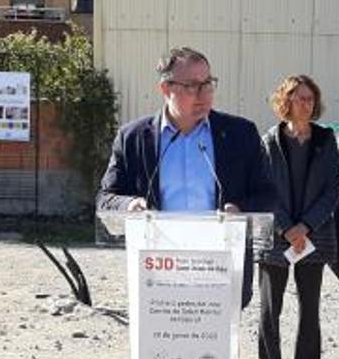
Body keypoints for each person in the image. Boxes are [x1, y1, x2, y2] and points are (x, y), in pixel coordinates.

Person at [97, 46, 275, 304]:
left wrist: (239, 210)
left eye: (208, 84)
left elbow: (268, 194)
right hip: (159, 270)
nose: (203, 95)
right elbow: (105, 198)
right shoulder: (133, 137)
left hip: (221, 268)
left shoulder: (240, 133)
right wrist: (130, 204)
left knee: (217, 344)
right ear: (165, 89)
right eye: (192, 86)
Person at [256, 75, 339, 359]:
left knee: (310, 308)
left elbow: (333, 189)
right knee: (269, 310)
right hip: (276, 235)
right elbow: (262, 189)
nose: (306, 103)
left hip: (312, 235)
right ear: (285, 102)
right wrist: (286, 227)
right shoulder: (269, 140)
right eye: (299, 97)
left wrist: (304, 226)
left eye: (310, 98)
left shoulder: (325, 139)